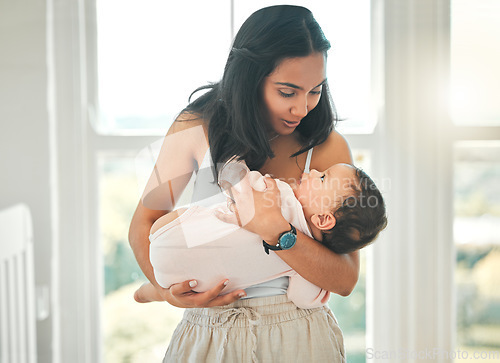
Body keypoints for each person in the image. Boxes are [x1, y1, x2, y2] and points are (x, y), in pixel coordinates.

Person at [129, 5, 367, 362]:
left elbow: (345, 279)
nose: (302, 109)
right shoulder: (197, 126)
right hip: (210, 334)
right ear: (250, 78)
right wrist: (166, 292)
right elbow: (143, 225)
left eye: (315, 90)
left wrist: (279, 233)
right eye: (288, 92)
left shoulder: (327, 147)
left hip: (300, 337)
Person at [134, 162, 387, 309]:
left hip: (168, 232)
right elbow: (300, 298)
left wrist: (241, 175)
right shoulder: (305, 267)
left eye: (321, 178)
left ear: (324, 219)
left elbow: (239, 178)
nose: (311, 172)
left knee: (205, 218)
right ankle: (153, 291)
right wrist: (321, 290)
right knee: (198, 280)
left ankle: (154, 290)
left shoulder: (281, 192)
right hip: (192, 281)